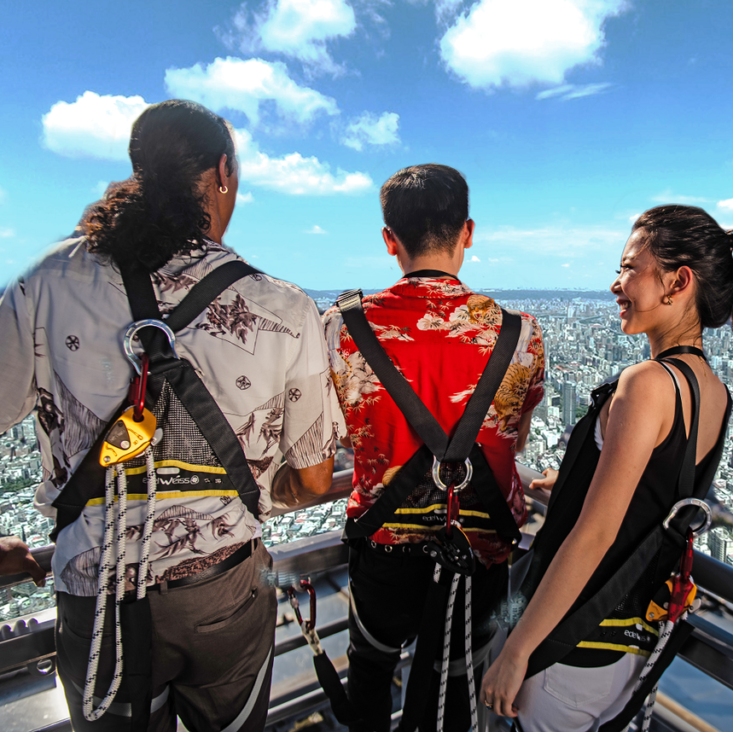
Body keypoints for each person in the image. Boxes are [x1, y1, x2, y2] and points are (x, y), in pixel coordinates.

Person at [0, 99, 339, 731]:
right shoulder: (283, 306)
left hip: (93, 584)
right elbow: (318, 481)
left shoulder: (43, 282)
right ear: (223, 173)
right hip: (225, 588)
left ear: (137, 170)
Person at [480, 204, 733, 729]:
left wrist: (517, 652)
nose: (616, 284)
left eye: (629, 267)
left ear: (677, 282)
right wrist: (568, 488)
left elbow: (594, 535)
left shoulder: (646, 383)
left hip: (568, 648)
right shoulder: (713, 394)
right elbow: (651, 498)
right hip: (631, 652)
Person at [322, 164, 545, 732]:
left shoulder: (342, 327)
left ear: (389, 239)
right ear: (467, 232)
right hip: (482, 548)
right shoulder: (520, 332)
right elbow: (512, 439)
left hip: (384, 547)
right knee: (458, 687)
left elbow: (342, 434)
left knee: (370, 673)